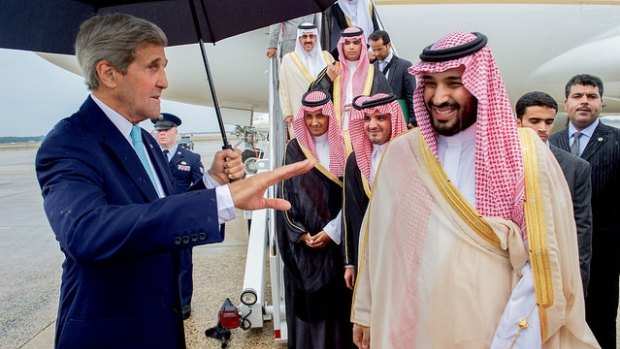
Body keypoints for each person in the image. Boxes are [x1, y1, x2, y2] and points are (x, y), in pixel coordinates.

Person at [34, 13, 313, 349]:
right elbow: (86, 232)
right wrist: (221, 202)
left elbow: (159, 214)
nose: (164, 81)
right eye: (153, 67)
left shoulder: (145, 141)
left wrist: (213, 183)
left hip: (161, 326)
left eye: (163, 67)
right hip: (111, 334)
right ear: (108, 73)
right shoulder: (69, 143)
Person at [351, 31, 599, 348]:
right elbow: (378, 239)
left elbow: (543, 263)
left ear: (482, 84)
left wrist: (510, 339)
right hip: (417, 328)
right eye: (430, 83)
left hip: (498, 328)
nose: (439, 97)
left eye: (454, 83)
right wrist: (367, 311)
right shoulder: (402, 154)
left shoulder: (524, 155)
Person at [275, 90, 352, 348]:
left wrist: (333, 230)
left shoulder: (346, 146)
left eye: (321, 116)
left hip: (338, 249)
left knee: (340, 315)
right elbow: (284, 197)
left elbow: (353, 197)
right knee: (309, 320)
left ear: (330, 116)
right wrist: (299, 233)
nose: (315, 122)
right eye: (309, 117)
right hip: (305, 251)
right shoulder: (293, 149)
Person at [549, 74, 620, 349]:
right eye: (578, 96)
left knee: (600, 325)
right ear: (566, 102)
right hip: (561, 253)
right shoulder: (551, 143)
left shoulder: (615, 141)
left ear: (601, 102)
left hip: (603, 256)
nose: (584, 102)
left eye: (591, 97)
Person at [516, 91, 593, 294]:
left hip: (554, 271)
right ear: (518, 122)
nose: (543, 128)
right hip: (510, 270)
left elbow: (581, 229)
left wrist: (578, 284)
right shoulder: (499, 163)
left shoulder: (576, 167)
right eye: (535, 121)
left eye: (549, 122)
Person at [342, 93, 407, 291]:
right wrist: (350, 262)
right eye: (367, 119)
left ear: (393, 119)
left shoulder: (410, 155)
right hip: (368, 254)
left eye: (380, 118)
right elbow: (350, 213)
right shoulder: (355, 161)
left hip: (403, 255)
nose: (372, 125)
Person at [153, 112, 204, 320]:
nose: (161, 134)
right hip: (156, 219)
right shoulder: (150, 156)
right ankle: (160, 302)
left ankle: (183, 303)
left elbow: (201, 187)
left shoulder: (191, 158)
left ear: (176, 132)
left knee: (183, 262)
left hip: (182, 220)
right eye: (158, 131)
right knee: (157, 263)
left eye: (165, 130)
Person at [311, 26, 391, 152]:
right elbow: (312, 100)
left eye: (356, 43)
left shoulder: (373, 72)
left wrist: (363, 107)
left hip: (366, 137)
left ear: (362, 46)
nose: (351, 47)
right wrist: (327, 80)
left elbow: (387, 105)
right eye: (347, 43)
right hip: (335, 138)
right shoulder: (332, 69)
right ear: (341, 45)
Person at [279, 22, 334, 138]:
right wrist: (287, 113)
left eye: (311, 36)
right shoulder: (288, 60)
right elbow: (283, 88)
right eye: (304, 37)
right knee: (302, 148)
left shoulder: (327, 57)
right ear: (299, 39)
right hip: (298, 111)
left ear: (316, 38)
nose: (308, 40)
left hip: (324, 113)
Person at [368, 30, 416, 128]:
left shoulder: (404, 65)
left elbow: (412, 95)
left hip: (400, 119)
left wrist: (413, 119)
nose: (376, 53)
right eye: (374, 49)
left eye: (379, 49)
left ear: (388, 45)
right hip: (379, 121)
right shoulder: (371, 68)